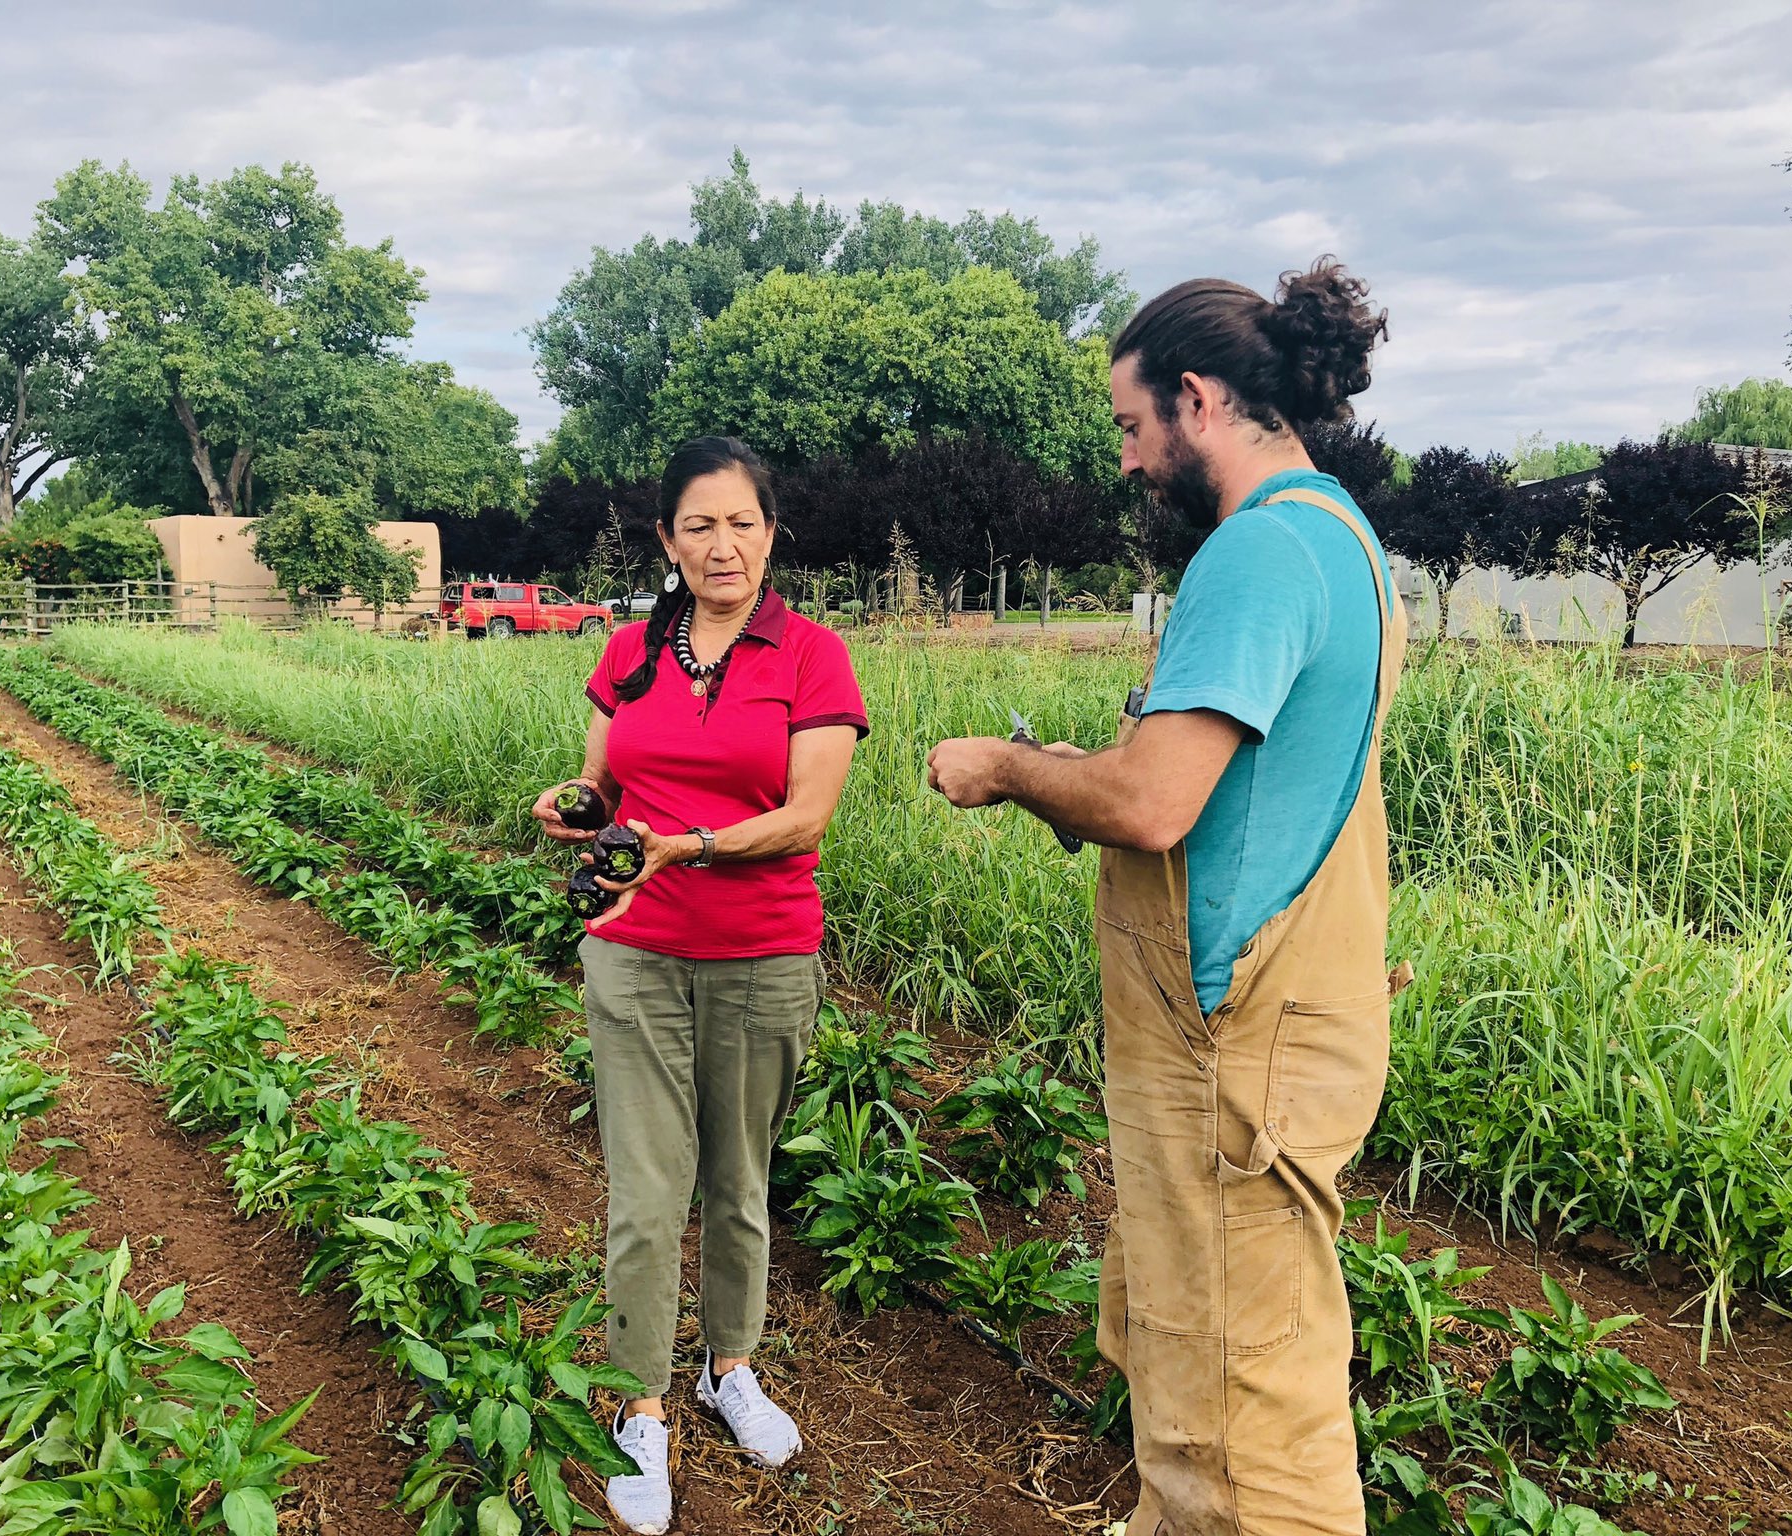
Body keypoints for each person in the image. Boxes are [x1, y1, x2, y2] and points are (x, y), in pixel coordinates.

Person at [926, 259, 1405, 1536]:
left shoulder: (1255, 554)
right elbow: (1204, 776)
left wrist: (1005, 768)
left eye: (1133, 428)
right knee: (1199, 1344)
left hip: (1228, 1051)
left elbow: (1149, 809)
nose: (1130, 462)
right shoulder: (1343, 540)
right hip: (1285, 1023)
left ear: (1196, 400)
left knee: (1246, 1410)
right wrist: (1092, 764)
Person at [532, 436, 868, 1536]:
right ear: (667, 539)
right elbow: (601, 780)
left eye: (741, 523)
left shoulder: (811, 657)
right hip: (632, 950)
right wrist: (573, 805)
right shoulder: (629, 651)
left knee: (736, 1182)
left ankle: (730, 1368)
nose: (720, 546)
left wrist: (689, 847)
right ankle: (638, 1403)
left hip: (763, 959)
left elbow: (808, 815)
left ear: (771, 532)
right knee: (644, 1192)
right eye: (697, 525)